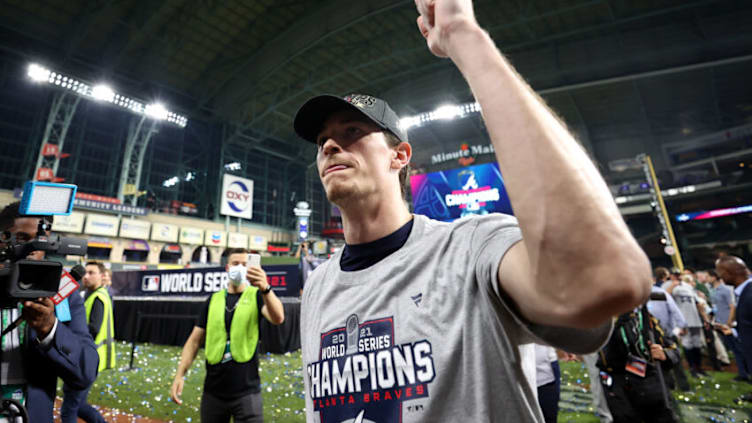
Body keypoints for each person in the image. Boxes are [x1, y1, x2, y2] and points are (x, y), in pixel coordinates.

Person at [291, 1, 652, 421]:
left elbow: (605, 279)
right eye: (322, 142)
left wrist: (465, 36)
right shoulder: (318, 287)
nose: (330, 146)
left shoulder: (471, 248)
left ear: (400, 156)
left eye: (352, 132)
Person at [0, 202, 98, 422]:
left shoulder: (63, 292)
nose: (33, 250)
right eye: (23, 239)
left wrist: (49, 329)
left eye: (41, 240)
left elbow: (85, 372)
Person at [170, 248, 284, 423]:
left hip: (247, 392)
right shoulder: (213, 300)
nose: (239, 267)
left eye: (245, 264)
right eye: (235, 263)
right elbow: (194, 341)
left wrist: (265, 288)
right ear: (227, 267)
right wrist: (180, 374)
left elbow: (278, 318)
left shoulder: (257, 296)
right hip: (213, 393)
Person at [597, 309, 678, 423]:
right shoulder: (603, 321)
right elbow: (605, 359)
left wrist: (664, 354)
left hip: (652, 384)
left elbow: (673, 350)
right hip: (620, 385)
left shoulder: (646, 318)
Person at [60, 261, 115, 423]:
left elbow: (94, 328)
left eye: (91, 273)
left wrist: (71, 330)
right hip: (89, 357)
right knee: (78, 404)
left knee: (69, 409)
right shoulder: (93, 294)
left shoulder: (98, 297)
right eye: (85, 272)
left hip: (86, 358)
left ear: (102, 276)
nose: (86, 276)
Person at [716, 256, 752, 387]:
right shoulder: (745, 291)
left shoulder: (750, 293)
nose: (720, 277)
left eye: (721, 273)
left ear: (729, 273)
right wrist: (733, 331)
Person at [709, 269, 749, 381]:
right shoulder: (714, 290)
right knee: (735, 350)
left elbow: (732, 306)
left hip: (729, 324)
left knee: (739, 349)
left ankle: (744, 373)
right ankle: (743, 373)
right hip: (723, 323)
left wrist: (729, 322)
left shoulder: (727, 289)